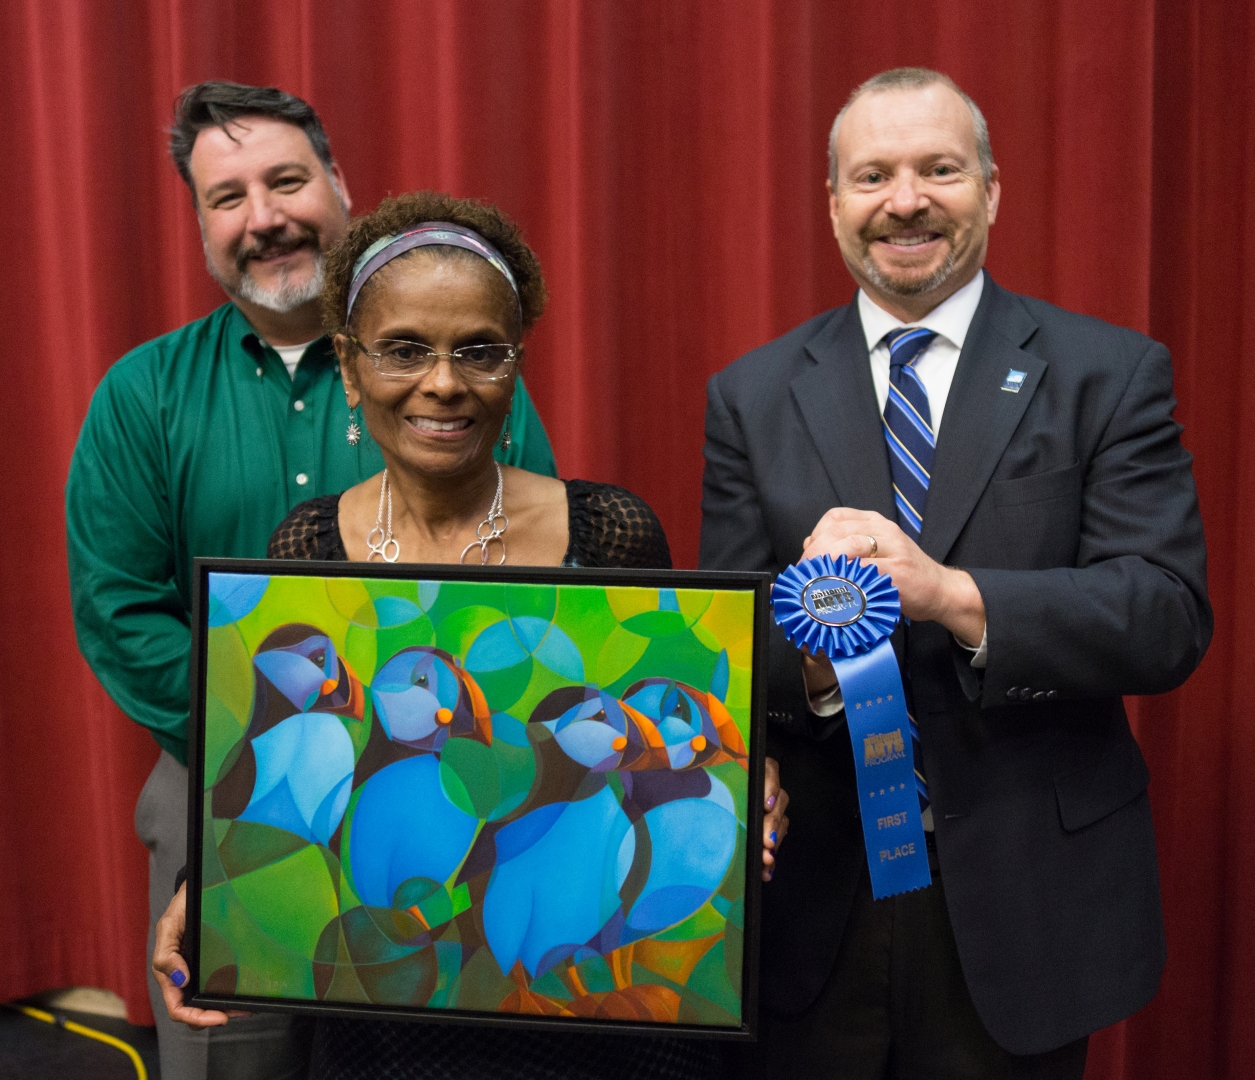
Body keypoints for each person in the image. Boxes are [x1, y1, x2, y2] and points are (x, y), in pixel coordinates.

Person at [152, 189, 790, 1079]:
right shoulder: (306, 547)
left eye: (479, 352)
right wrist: (205, 894)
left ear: (515, 364)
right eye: (404, 349)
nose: (444, 382)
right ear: (347, 363)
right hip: (391, 1016)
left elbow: (674, 748)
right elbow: (299, 769)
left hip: (591, 1026)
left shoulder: (609, 531)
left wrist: (745, 779)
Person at [698, 67, 1210, 1079]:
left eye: (938, 169)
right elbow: (727, 645)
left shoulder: (1108, 373)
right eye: (872, 175)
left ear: (990, 189)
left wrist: (944, 594)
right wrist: (809, 659)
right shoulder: (750, 396)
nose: (904, 201)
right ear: (833, 202)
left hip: (1027, 900)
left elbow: (1163, 614)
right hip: (816, 901)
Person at [66, 82, 556, 1080]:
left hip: (443, 779)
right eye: (228, 196)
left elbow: (530, 583)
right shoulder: (141, 395)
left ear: (338, 184)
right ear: (201, 223)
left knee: (433, 1041)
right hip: (219, 773)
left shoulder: (460, 374)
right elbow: (121, 615)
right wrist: (267, 754)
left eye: (286, 180)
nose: (264, 216)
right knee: (233, 1055)